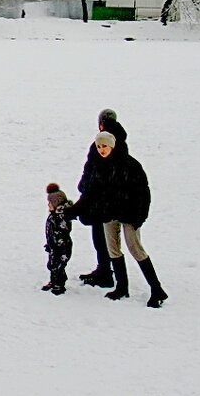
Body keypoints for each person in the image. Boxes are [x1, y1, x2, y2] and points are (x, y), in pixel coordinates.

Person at [69, 131, 168, 308]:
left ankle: (157, 289)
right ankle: (122, 287)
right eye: (99, 146)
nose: (102, 150)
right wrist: (74, 210)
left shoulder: (130, 165)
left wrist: (139, 216)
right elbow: (91, 193)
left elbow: (143, 193)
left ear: (112, 146)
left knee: (135, 248)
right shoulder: (98, 165)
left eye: (104, 146)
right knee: (112, 249)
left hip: (129, 215)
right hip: (109, 213)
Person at [74, 109, 127, 288]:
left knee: (101, 236)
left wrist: (84, 189)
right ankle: (106, 270)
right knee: (107, 237)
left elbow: (92, 170)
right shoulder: (120, 142)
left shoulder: (101, 143)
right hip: (111, 198)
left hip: (99, 199)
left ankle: (105, 272)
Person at [42, 183, 74, 295]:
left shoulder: (61, 217)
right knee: (52, 264)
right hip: (53, 245)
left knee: (59, 266)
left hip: (61, 247)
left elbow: (62, 233)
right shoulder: (53, 216)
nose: (48, 205)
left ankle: (59, 284)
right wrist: (49, 243)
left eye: (50, 203)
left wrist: (59, 245)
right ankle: (53, 281)